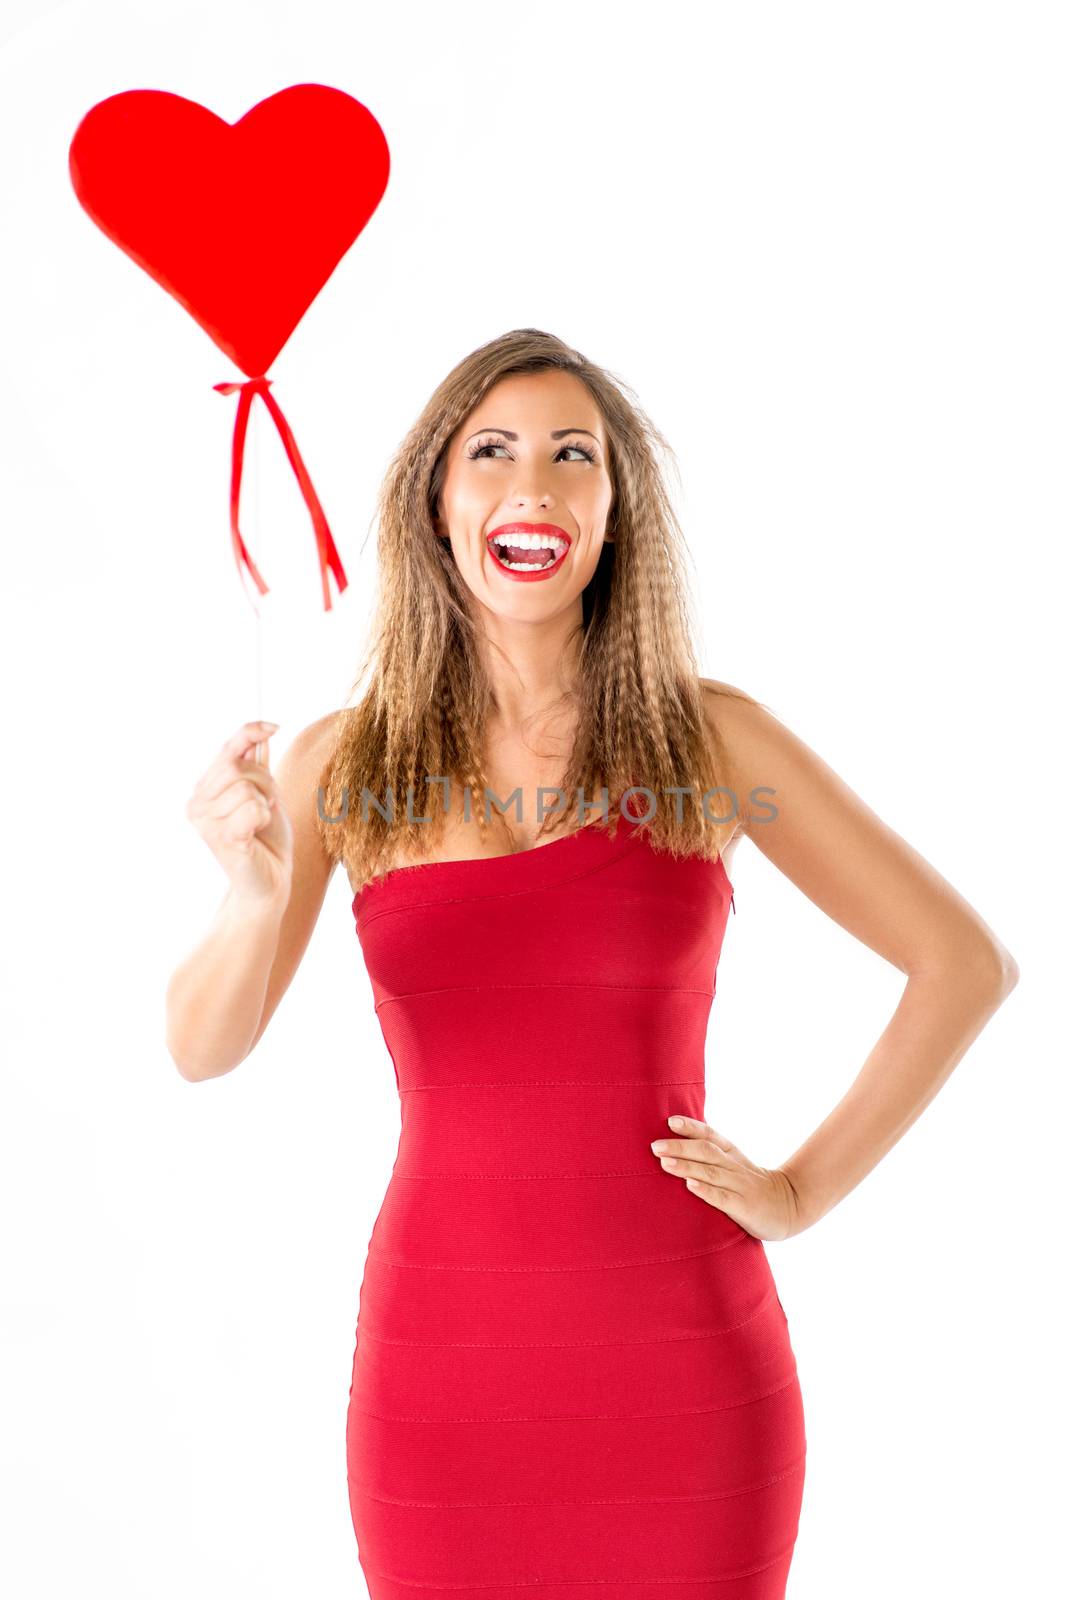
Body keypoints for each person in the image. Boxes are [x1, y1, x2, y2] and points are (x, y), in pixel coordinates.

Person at [166, 328, 1019, 1596]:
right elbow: (202, 1045)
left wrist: (799, 1190)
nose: (535, 484)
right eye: (492, 451)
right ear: (435, 502)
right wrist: (250, 896)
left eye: (576, 456)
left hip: (681, 1361)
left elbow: (960, 962)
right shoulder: (343, 765)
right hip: (442, 1371)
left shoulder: (711, 739)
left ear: (613, 513)